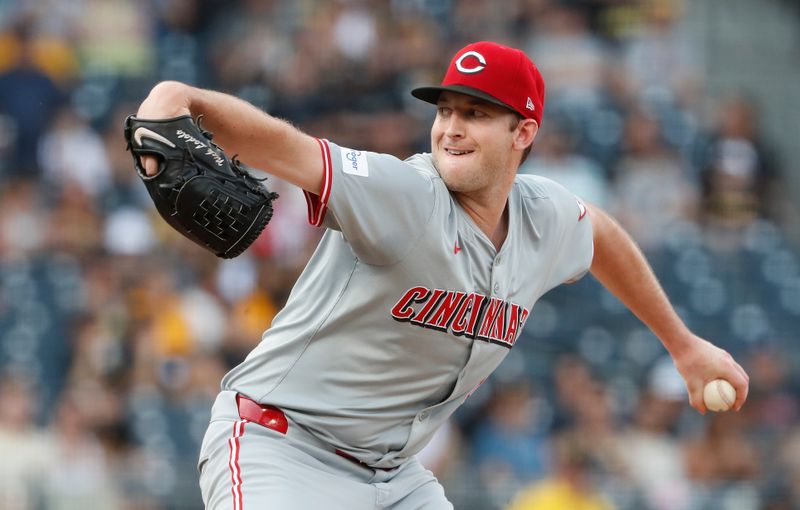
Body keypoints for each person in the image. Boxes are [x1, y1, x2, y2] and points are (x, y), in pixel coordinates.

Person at [133, 41, 750, 509]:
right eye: (446, 110)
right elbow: (288, 148)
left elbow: (604, 237)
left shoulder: (545, 217)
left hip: (395, 477)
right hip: (283, 450)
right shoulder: (404, 192)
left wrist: (684, 345)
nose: (451, 128)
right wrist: (180, 98)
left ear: (523, 133)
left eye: (477, 114)